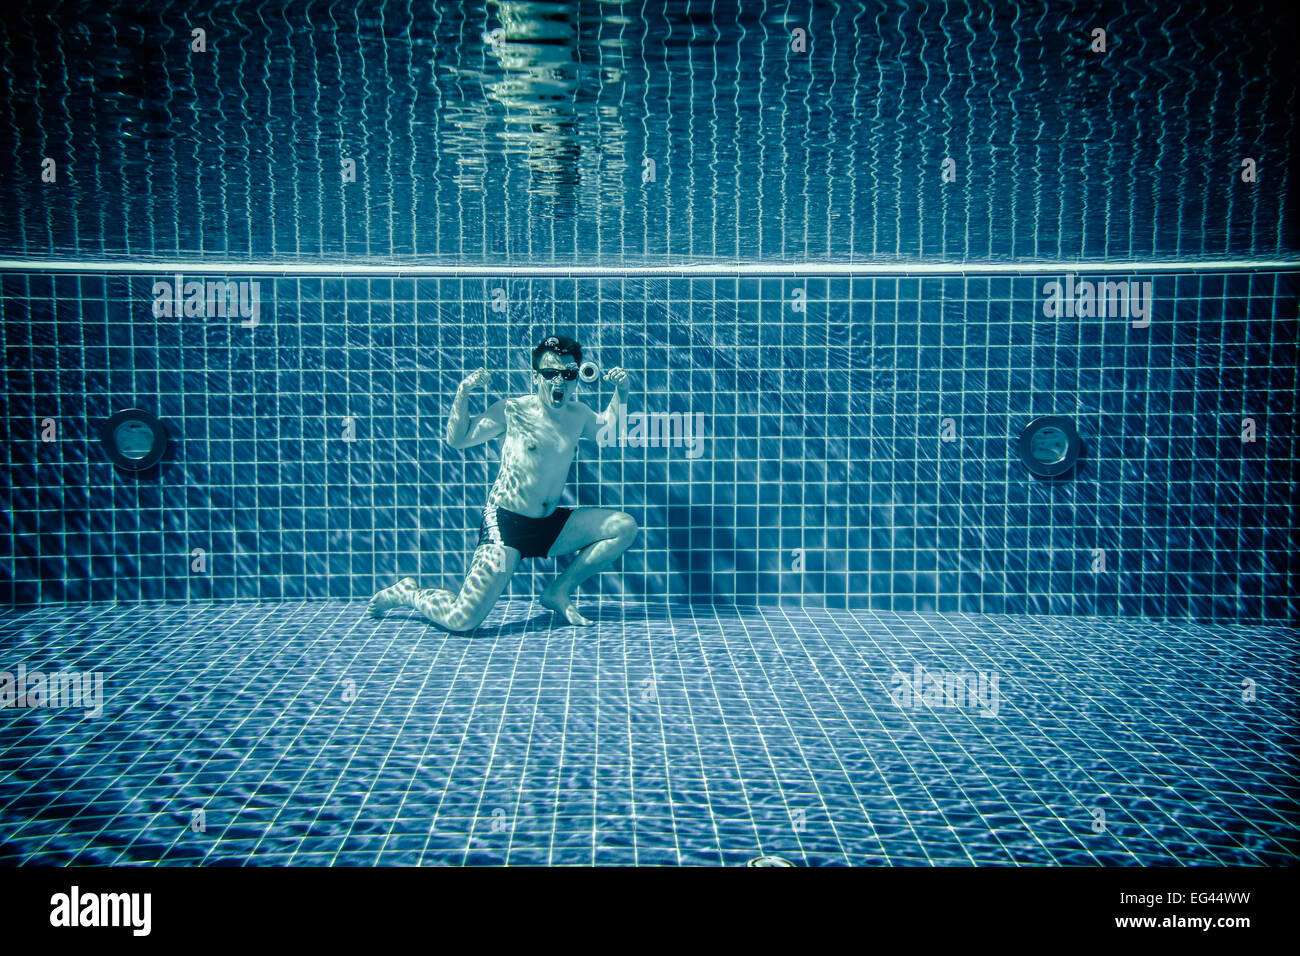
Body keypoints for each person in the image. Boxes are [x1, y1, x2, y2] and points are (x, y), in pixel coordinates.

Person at [368, 334, 637, 631]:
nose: (558, 382)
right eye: (549, 374)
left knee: (623, 527)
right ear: (535, 377)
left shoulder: (578, 415)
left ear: (576, 376)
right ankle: (411, 593)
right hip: (506, 525)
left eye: (568, 374)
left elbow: (609, 432)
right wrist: (464, 391)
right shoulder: (512, 410)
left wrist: (621, 392)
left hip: (548, 527)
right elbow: (457, 439)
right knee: (462, 620)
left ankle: (558, 591)